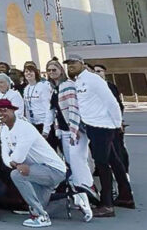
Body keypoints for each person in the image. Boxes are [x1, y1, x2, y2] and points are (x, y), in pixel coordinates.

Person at [66, 56, 134, 217]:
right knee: (114, 162)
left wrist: (117, 123)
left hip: (102, 126)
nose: (70, 67)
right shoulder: (78, 81)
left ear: (82, 64)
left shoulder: (93, 80)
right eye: (68, 64)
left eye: (73, 63)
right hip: (92, 125)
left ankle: (107, 204)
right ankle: (126, 197)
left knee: (102, 165)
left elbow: (111, 102)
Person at [0, 98, 67, 228]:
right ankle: (70, 199)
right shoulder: (4, 129)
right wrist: (13, 163)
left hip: (54, 170)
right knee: (34, 204)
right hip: (35, 169)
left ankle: (42, 216)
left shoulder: (24, 127)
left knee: (17, 175)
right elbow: (4, 155)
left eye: (4, 110)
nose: (1, 113)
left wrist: (14, 163)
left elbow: (19, 157)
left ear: (13, 110)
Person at [45, 59, 95, 218]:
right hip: (63, 132)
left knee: (77, 161)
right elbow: (53, 111)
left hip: (75, 131)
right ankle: (80, 196)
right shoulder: (54, 89)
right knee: (71, 163)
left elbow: (74, 108)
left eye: (54, 70)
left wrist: (74, 130)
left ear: (61, 70)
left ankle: (87, 191)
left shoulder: (68, 85)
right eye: (49, 70)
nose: (52, 73)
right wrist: (47, 131)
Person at [22, 65, 53, 136]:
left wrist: (46, 129)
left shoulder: (43, 86)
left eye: (31, 71)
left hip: (45, 123)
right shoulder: (26, 89)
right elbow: (27, 108)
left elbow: (49, 108)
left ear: (36, 73)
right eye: (26, 71)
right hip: (34, 124)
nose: (28, 73)